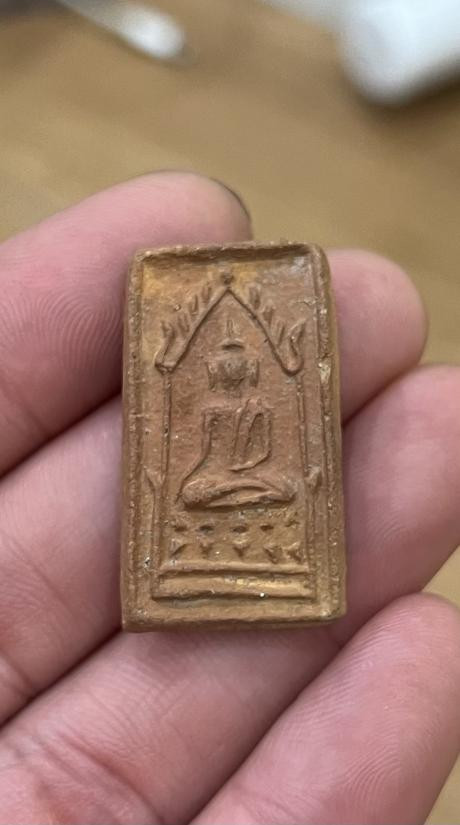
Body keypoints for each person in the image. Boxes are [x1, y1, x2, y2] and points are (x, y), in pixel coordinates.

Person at [0, 171, 458, 824]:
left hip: (254, 487)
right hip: (211, 488)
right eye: (227, 372)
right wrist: (228, 474)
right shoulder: (213, 405)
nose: (234, 380)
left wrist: (252, 473)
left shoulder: (256, 406)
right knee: (201, 488)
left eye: (239, 372)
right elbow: (206, 468)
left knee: (272, 485)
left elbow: (261, 464)